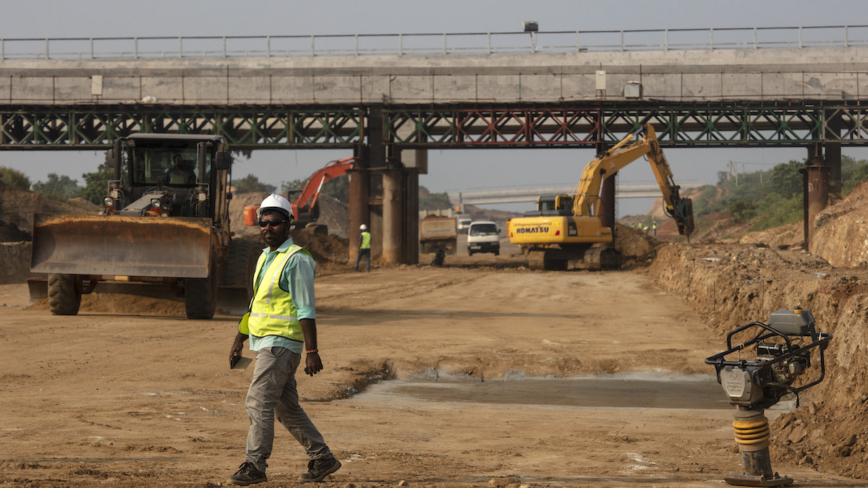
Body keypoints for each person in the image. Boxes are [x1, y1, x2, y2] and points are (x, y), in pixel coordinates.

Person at [227, 194, 341, 485]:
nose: (268, 227)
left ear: (289, 223)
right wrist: (239, 337)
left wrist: (312, 350)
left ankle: (255, 465)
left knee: (257, 402)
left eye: (275, 222)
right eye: (263, 222)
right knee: (284, 406)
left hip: (281, 345)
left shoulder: (297, 260)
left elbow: (306, 309)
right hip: (265, 342)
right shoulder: (266, 257)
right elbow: (256, 305)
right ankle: (322, 458)